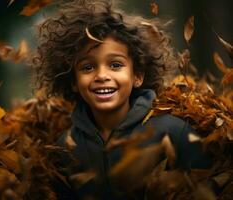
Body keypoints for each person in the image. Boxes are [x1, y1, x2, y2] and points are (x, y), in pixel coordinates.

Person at [32, 0, 212, 199]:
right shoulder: (65, 149)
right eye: (87, 67)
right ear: (73, 81)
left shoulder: (175, 133)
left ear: (138, 75)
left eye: (115, 65)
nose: (102, 75)